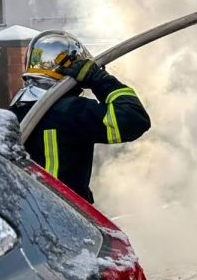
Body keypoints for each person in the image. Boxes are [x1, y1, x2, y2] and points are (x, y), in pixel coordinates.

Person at [9, 30, 151, 203]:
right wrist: (98, 79)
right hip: (67, 216)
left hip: (28, 214)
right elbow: (134, 119)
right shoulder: (72, 111)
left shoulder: (14, 112)